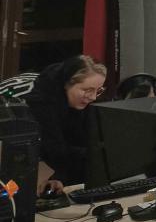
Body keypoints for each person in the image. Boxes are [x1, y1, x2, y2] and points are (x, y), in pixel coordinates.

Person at [25, 54, 107, 193]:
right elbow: (53, 149)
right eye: (87, 90)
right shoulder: (40, 104)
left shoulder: (78, 100)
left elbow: (83, 142)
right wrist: (58, 177)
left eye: (98, 90)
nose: (93, 97)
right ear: (66, 84)